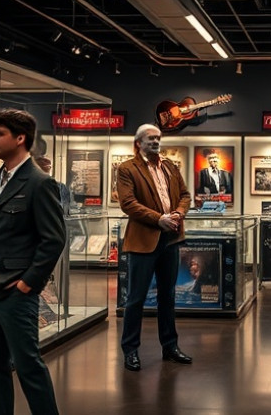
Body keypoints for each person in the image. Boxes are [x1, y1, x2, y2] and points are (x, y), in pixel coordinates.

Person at [0, 109, 65, 415]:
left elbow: (54, 239)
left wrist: (28, 283)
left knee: (29, 366)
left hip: (15, 294)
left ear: (20, 138)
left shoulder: (39, 183)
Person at [117, 124, 192, 372]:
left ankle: (170, 347)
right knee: (135, 299)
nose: (156, 141)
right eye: (151, 138)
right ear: (138, 142)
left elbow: (184, 194)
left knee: (167, 297)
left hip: (170, 239)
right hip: (143, 241)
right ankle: (130, 351)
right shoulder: (127, 169)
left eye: (158, 138)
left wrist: (179, 213)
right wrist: (158, 218)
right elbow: (128, 203)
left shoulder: (170, 166)